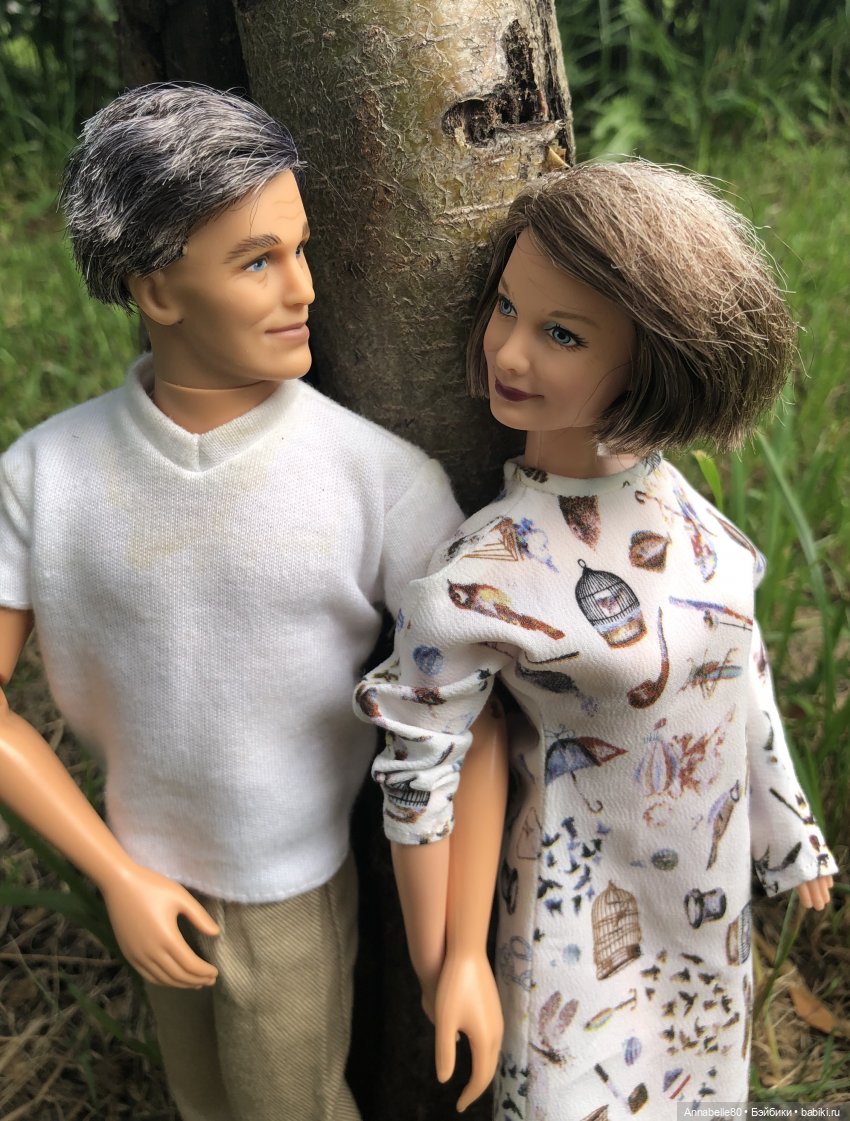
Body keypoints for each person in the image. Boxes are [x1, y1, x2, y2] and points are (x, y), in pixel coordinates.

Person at [0, 82, 481, 1121]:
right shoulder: (44, 475)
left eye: (300, 250)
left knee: (290, 1103)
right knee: (199, 1099)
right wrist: (113, 873)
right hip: (141, 870)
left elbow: (471, 705)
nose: (302, 287)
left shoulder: (377, 479)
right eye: (257, 260)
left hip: (286, 890)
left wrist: (460, 948)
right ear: (156, 290)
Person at [355, 161, 837, 1119]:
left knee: (703, 1087)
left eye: (562, 334)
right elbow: (421, 771)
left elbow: (737, 663)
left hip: (705, 898)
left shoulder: (678, 503)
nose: (508, 351)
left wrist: (787, 826)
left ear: (656, 362)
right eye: (506, 308)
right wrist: (447, 962)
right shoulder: (485, 571)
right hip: (575, 913)